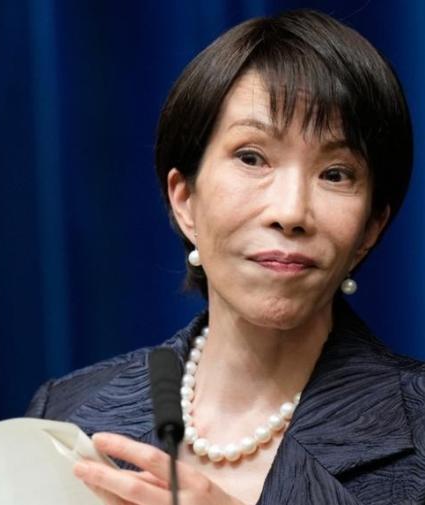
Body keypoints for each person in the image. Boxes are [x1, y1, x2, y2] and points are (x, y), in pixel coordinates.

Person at [27, 9, 424, 505]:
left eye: (336, 174)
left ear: (370, 228)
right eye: (252, 157)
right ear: (184, 199)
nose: (290, 212)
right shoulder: (67, 413)